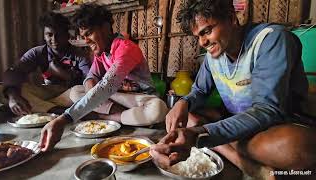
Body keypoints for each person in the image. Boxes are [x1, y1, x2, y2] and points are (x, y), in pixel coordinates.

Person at [150, 0, 316, 179]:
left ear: (231, 18)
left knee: (296, 147)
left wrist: (201, 133)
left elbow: (267, 110)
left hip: (276, 127)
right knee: (189, 118)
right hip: (238, 122)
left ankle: (222, 144)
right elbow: (199, 91)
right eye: (197, 36)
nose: (202, 42)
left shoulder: (270, 40)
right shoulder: (213, 56)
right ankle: (242, 161)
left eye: (206, 31)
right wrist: (184, 102)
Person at [39, 4, 168, 151]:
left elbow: (106, 86)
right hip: (116, 98)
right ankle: (122, 117)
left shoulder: (126, 48)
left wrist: (65, 118)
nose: (86, 40)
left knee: (158, 109)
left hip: (138, 100)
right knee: (76, 91)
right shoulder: (101, 54)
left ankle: (103, 117)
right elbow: (90, 77)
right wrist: (90, 90)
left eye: (89, 33)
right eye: (83, 36)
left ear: (106, 27)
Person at [0, 12, 91, 115]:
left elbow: (88, 82)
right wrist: (13, 96)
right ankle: (59, 111)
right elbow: (14, 72)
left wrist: (62, 73)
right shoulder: (38, 52)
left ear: (67, 35)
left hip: (68, 95)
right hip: (48, 93)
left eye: (59, 35)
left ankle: (44, 109)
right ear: (44, 36)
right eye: (49, 35)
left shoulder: (80, 54)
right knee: (2, 89)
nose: (54, 40)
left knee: (79, 92)